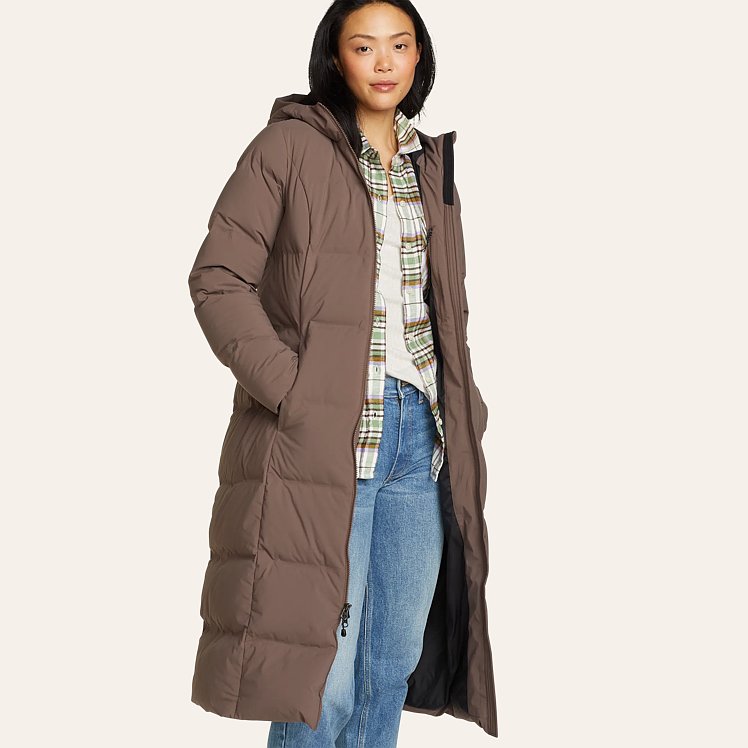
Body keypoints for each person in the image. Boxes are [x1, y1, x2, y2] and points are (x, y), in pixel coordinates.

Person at [187, 1, 497, 745]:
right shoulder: (289, 147)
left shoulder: (429, 164)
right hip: (327, 442)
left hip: (420, 441)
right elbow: (218, 279)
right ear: (336, 57)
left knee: (390, 664)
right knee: (321, 677)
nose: (384, 62)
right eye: (364, 47)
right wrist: (294, 391)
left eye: (400, 45)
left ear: (419, 56)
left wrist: (464, 408)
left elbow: (440, 306)